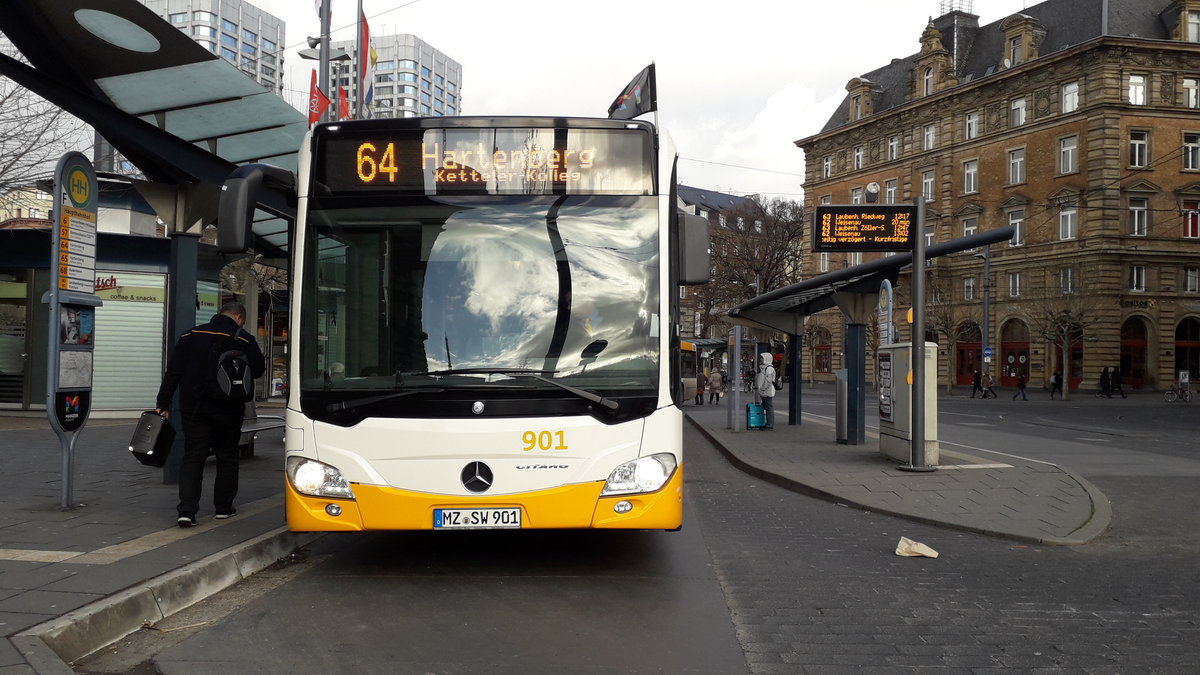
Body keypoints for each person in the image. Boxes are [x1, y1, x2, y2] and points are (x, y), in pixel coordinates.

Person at [156, 302, 265, 527]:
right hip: (229, 409)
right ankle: (223, 507)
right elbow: (258, 370)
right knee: (227, 456)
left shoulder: (190, 335)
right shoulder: (244, 339)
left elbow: (173, 372)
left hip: (194, 408)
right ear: (239, 317)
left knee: (194, 455)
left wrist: (162, 402)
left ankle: (187, 510)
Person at [755, 352, 777, 430]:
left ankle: (770, 424)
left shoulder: (769, 368)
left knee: (768, 408)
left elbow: (768, 380)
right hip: (764, 391)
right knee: (767, 407)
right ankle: (768, 423)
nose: (761, 359)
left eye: (762, 358)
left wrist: (762, 388)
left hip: (767, 391)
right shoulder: (764, 367)